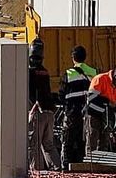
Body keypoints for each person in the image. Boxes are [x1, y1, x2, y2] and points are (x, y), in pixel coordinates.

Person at [59, 46, 97, 166]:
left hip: (72, 112)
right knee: (84, 140)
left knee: (68, 139)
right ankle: (82, 164)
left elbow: (61, 94)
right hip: (88, 112)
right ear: (85, 57)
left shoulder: (69, 73)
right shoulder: (93, 72)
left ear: (73, 58)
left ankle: (66, 166)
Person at [27, 40, 60, 170]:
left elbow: (29, 93)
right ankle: (56, 168)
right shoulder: (44, 71)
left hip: (37, 111)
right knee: (48, 143)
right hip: (49, 111)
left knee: (33, 143)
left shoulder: (29, 72)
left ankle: (37, 171)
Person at [85, 67, 116, 154]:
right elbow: (91, 98)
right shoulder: (100, 79)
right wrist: (107, 102)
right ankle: (90, 160)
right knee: (92, 137)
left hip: (107, 115)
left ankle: (102, 161)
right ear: (115, 77)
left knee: (105, 140)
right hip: (94, 113)